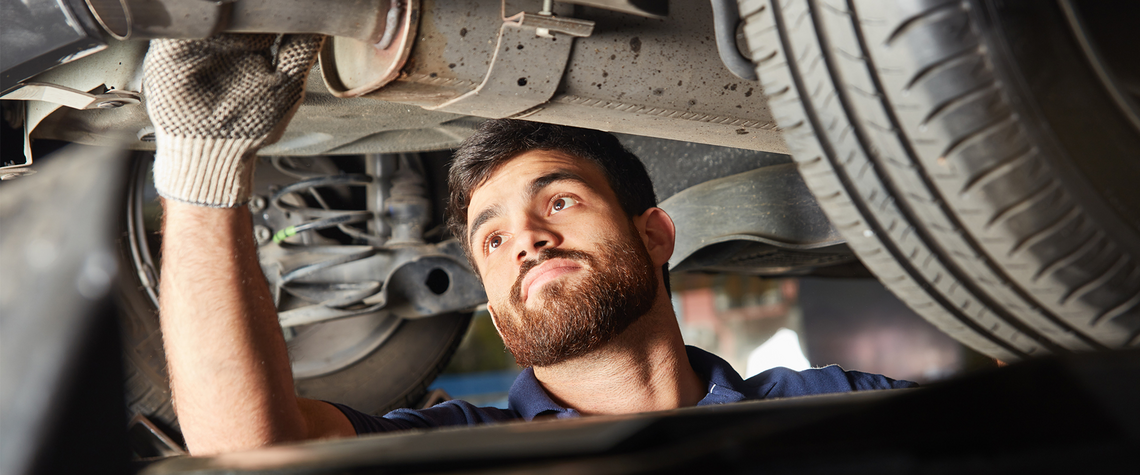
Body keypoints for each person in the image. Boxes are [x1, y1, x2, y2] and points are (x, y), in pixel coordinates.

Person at [145, 34, 916, 456]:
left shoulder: (833, 408)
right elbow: (244, 456)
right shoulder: (450, 454)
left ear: (655, 234)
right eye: (494, 236)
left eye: (560, 200)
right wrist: (201, 159)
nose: (529, 240)